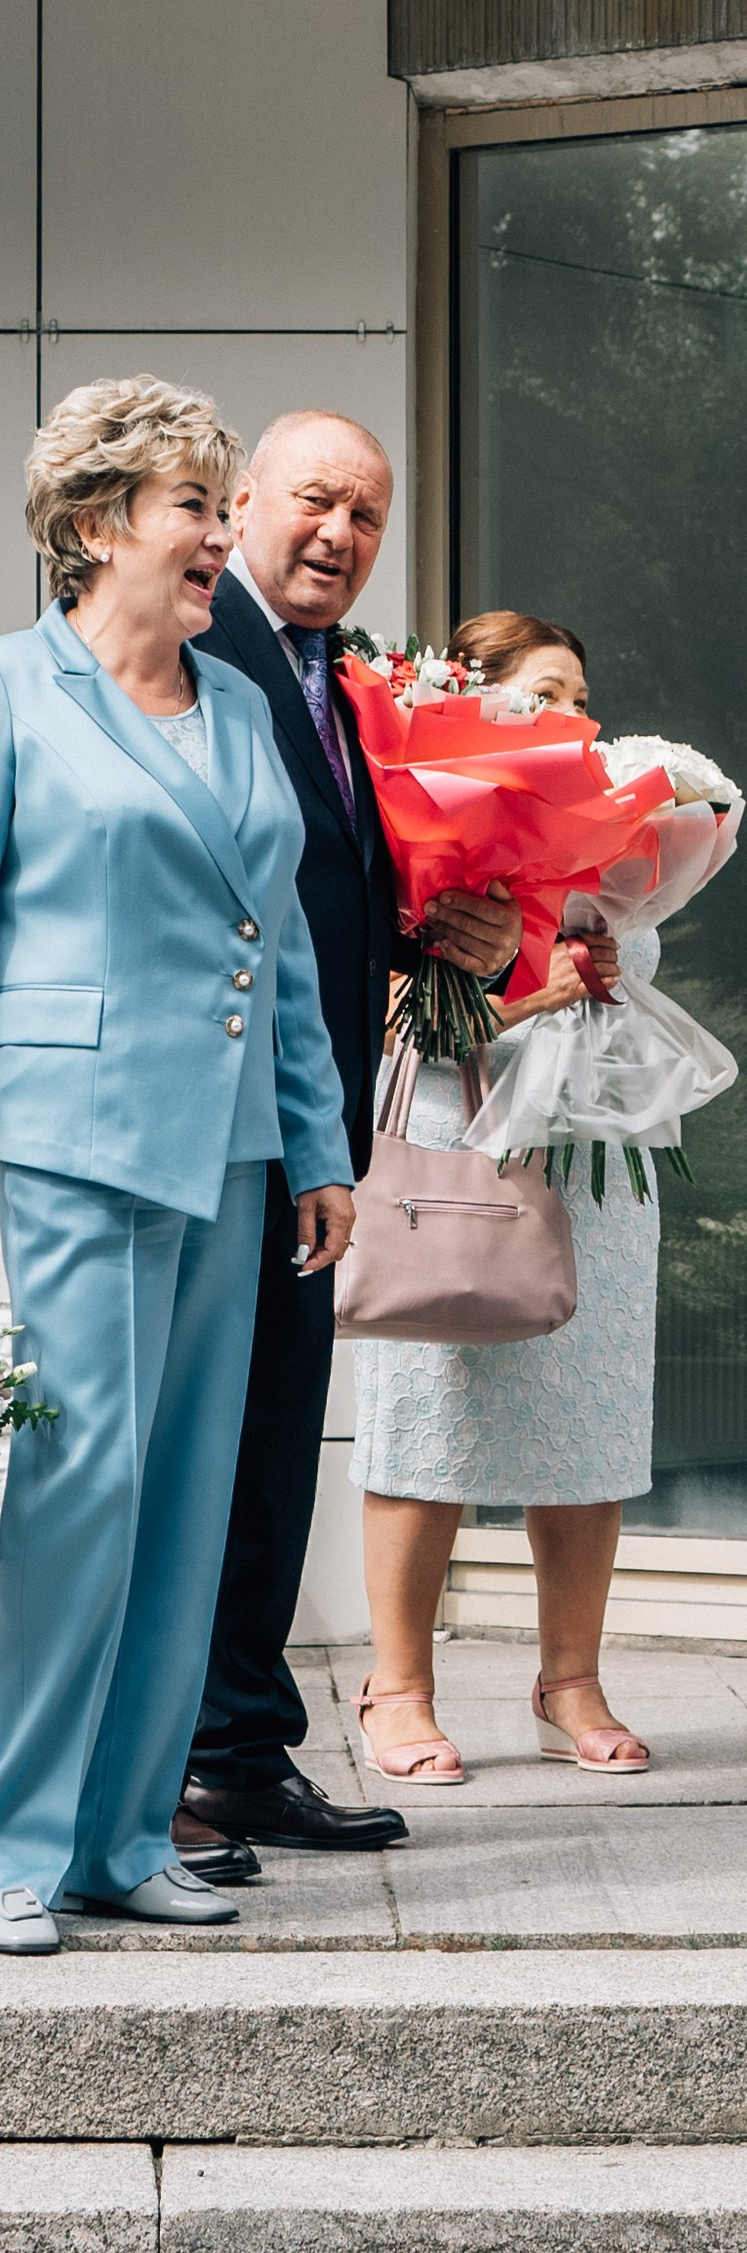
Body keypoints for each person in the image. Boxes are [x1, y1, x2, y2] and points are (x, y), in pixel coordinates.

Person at [0, 377, 354, 1956]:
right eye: (193, 507)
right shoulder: (16, 700)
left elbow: (273, 951)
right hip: (63, 1150)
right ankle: (13, 1842)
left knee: (182, 1508)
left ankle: (123, 1835)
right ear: (96, 527)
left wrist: (318, 1148)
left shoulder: (237, 712)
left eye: (222, 505)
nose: (222, 536)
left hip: (229, 1158)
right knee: (73, 1497)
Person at [178, 411, 518, 1874]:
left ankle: (242, 1751)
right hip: (212, 1126)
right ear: (242, 502)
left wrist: (455, 932)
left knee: (267, 1459)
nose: (341, 534)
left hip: (309, 1127)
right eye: (316, 501)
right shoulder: (197, 656)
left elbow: (334, 884)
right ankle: (186, 1761)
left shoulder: (346, 678)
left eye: (368, 516)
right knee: (208, 1455)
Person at [349, 614, 657, 1783]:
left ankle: (569, 1681)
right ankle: (398, 1688)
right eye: (540, 695)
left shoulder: (618, 835)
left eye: (580, 696)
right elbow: (385, 1019)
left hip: (588, 1155)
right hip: (450, 1153)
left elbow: (615, 989)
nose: (568, 717)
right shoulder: (402, 834)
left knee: (589, 1421)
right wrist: (533, 993)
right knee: (427, 1414)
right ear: (469, 706)